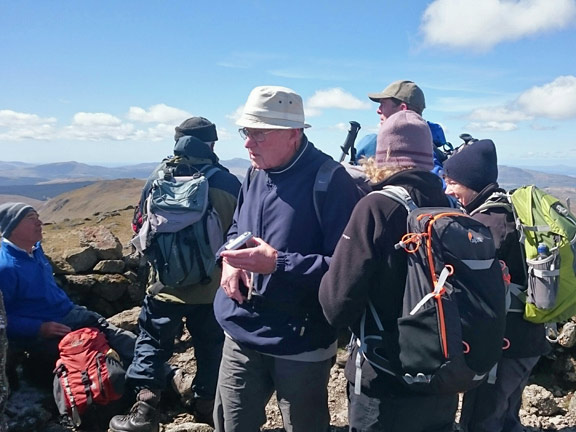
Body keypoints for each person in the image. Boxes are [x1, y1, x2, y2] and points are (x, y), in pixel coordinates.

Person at [213, 85, 362, 432]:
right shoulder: (255, 170)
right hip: (240, 330)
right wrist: (230, 261)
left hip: (300, 341)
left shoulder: (331, 181)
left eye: (259, 134)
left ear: (293, 134)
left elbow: (344, 268)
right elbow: (237, 226)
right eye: (246, 132)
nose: (248, 143)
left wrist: (278, 264)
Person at [319, 110, 459, 432]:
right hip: (442, 372)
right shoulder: (452, 208)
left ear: (384, 156)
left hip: (385, 377)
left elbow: (335, 303)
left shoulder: (376, 207)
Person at [109, 117, 241, 432]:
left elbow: (139, 226)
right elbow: (242, 232)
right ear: (211, 144)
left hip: (163, 284)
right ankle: (208, 406)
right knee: (212, 345)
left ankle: (144, 410)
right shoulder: (226, 182)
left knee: (152, 342)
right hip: (212, 288)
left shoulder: (157, 177)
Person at [443, 139, 551, 432]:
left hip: (504, 346)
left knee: (480, 421)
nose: (448, 190)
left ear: (473, 181)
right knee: (506, 416)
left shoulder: (485, 225)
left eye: (453, 182)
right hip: (528, 339)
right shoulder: (508, 210)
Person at [0, 203, 137, 386]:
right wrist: (38, 328)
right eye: (31, 219)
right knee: (100, 352)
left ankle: (163, 371)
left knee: (118, 338)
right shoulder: (6, 267)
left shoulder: (35, 249)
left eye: (38, 217)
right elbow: (3, 319)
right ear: (12, 227)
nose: (39, 223)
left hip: (71, 313)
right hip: (48, 329)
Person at [364, 80, 447, 179]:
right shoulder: (425, 147)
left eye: (383, 104)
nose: (378, 110)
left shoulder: (421, 153)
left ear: (403, 108)